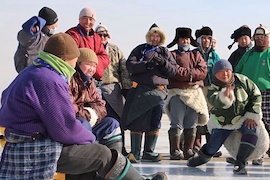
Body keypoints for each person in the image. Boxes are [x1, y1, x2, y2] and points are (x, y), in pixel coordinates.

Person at [0, 33, 167, 180]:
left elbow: (5, 98)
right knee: (102, 155)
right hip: (37, 150)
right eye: (75, 61)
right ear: (66, 59)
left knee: (96, 146)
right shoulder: (49, 79)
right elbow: (65, 129)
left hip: (20, 145)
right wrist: (91, 140)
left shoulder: (31, 72)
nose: (73, 67)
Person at [187, 59, 269, 175]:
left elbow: (255, 95)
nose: (225, 74)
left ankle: (240, 163)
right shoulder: (212, 89)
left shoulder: (243, 80)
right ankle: (200, 158)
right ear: (215, 74)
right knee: (212, 147)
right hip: (223, 123)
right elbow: (215, 102)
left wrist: (252, 114)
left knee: (251, 131)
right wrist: (224, 96)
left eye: (227, 71)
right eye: (221, 72)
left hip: (242, 118)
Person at [121, 23, 178, 163]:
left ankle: (148, 152)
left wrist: (163, 63)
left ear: (161, 37)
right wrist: (145, 65)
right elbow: (130, 66)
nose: (155, 38)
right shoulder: (140, 50)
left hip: (158, 92)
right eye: (152, 35)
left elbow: (174, 71)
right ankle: (135, 152)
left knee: (155, 122)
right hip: (140, 90)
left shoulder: (165, 52)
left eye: (157, 35)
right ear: (149, 36)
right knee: (138, 121)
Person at [164, 27, 208, 160]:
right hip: (177, 93)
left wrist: (187, 75)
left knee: (192, 122)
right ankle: (175, 150)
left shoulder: (197, 55)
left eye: (187, 39)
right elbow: (173, 71)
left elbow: (203, 71)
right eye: (183, 39)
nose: (185, 41)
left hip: (194, 94)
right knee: (176, 123)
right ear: (178, 40)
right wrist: (191, 75)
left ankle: (188, 149)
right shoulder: (171, 55)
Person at [95, 23, 132, 155]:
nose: (103, 37)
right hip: (96, 89)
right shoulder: (91, 48)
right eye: (100, 35)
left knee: (117, 120)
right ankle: (101, 149)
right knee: (98, 119)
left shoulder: (115, 49)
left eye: (105, 35)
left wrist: (127, 88)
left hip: (113, 89)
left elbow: (124, 69)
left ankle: (121, 149)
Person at [235, 24, 270, 160]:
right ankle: (255, 155)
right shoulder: (248, 54)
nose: (259, 39)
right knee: (252, 124)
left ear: (267, 38)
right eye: (257, 37)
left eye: (262, 37)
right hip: (248, 94)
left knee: (267, 123)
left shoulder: (269, 53)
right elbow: (237, 71)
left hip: (266, 93)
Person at [193, 26, 221, 157]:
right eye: (203, 38)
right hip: (197, 89)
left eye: (208, 39)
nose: (206, 41)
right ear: (199, 40)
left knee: (212, 118)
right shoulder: (194, 53)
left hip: (211, 88)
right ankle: (195, 146)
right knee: (197, 116)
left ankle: (211, 147)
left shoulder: (215, 55)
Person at [66, 7, 110, 82]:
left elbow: (105, 58)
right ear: (79, 19)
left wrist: (90, 63)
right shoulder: (72, 34)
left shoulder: (96, 38)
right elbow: (70, 55)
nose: (87, 22)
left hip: (93, 78)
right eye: (84, 18)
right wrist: (88, 62)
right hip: (75, 77)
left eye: (91, 19)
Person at [14, 6, 58, 73]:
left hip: (42, 74)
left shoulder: (49, 38)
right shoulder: (35, 37)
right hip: (29, 74)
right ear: (48, 24)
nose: (56, 27)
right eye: (54, 25)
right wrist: (31, 29)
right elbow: (23, 36)